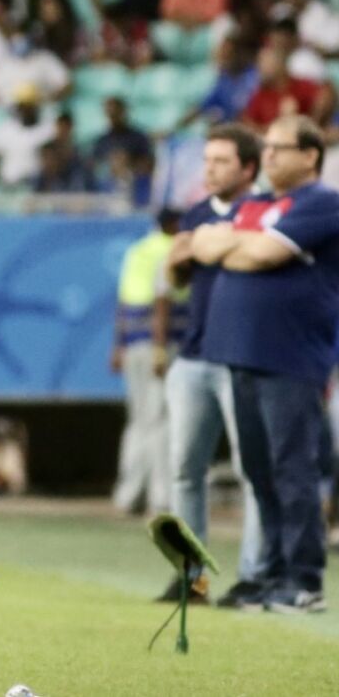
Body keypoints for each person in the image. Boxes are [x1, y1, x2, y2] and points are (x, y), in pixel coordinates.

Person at [193, 115, 339, 613]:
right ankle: (268, 574)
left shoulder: (324, 203)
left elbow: (260, 256)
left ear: (310, 156)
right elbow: (203, 244)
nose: (269, 156)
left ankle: (303, 578)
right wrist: (242, 246)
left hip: (289, 355)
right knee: (258, 471)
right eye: (267, 148)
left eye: (279, 148)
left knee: (292, 469)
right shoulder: (257, 203)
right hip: (241, 351)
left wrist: (238, 246)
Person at [159, 124, 266, 608]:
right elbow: (176, 270)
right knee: (185, 469)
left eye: (222, 161)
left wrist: (203, 244)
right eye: (207, 161)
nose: (210, 170)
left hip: (244, 356)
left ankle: (255, 575)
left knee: (251, 470)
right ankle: (192, 576)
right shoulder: (197, 213)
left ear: (248, 167)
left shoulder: (265, 209)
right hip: (194, 353)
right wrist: (196, 245)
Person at [111, 208, 181, 515]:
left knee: (138, 420)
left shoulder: (138, 249)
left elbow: (124, 299)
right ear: (172, 224)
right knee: (161, 420)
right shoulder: (172, 249)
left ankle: (127, 495)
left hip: (133, 342)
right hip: (159, 342)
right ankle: (160, 497)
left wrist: (118, 345)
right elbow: (161, 300)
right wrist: (160, 348)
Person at [241, 47, 327, 133]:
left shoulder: (301, 85)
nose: (261, 67)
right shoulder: (259, 95)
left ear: (280, 64)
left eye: (266, 63)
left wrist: (314, 120)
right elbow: (250, 128)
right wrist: (283, 121)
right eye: (260, 62)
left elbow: (326, 94)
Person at [0, 85, 55, 189]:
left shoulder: (48, 130)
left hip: (37, 189)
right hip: (9, 188)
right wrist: (0, 187)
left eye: (30, 105)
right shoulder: (5, 130)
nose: (26, 110)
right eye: (23, 106)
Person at [92, 97, 153, 207]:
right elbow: (95, 167)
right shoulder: (101, 141)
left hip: (135, 192)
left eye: (116, 113)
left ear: (123, 112)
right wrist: (111, 166)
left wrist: (127, 165)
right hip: (107, 192)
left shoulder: (138, 138)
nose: (113, 117)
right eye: (110, 114)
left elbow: (148, 164)